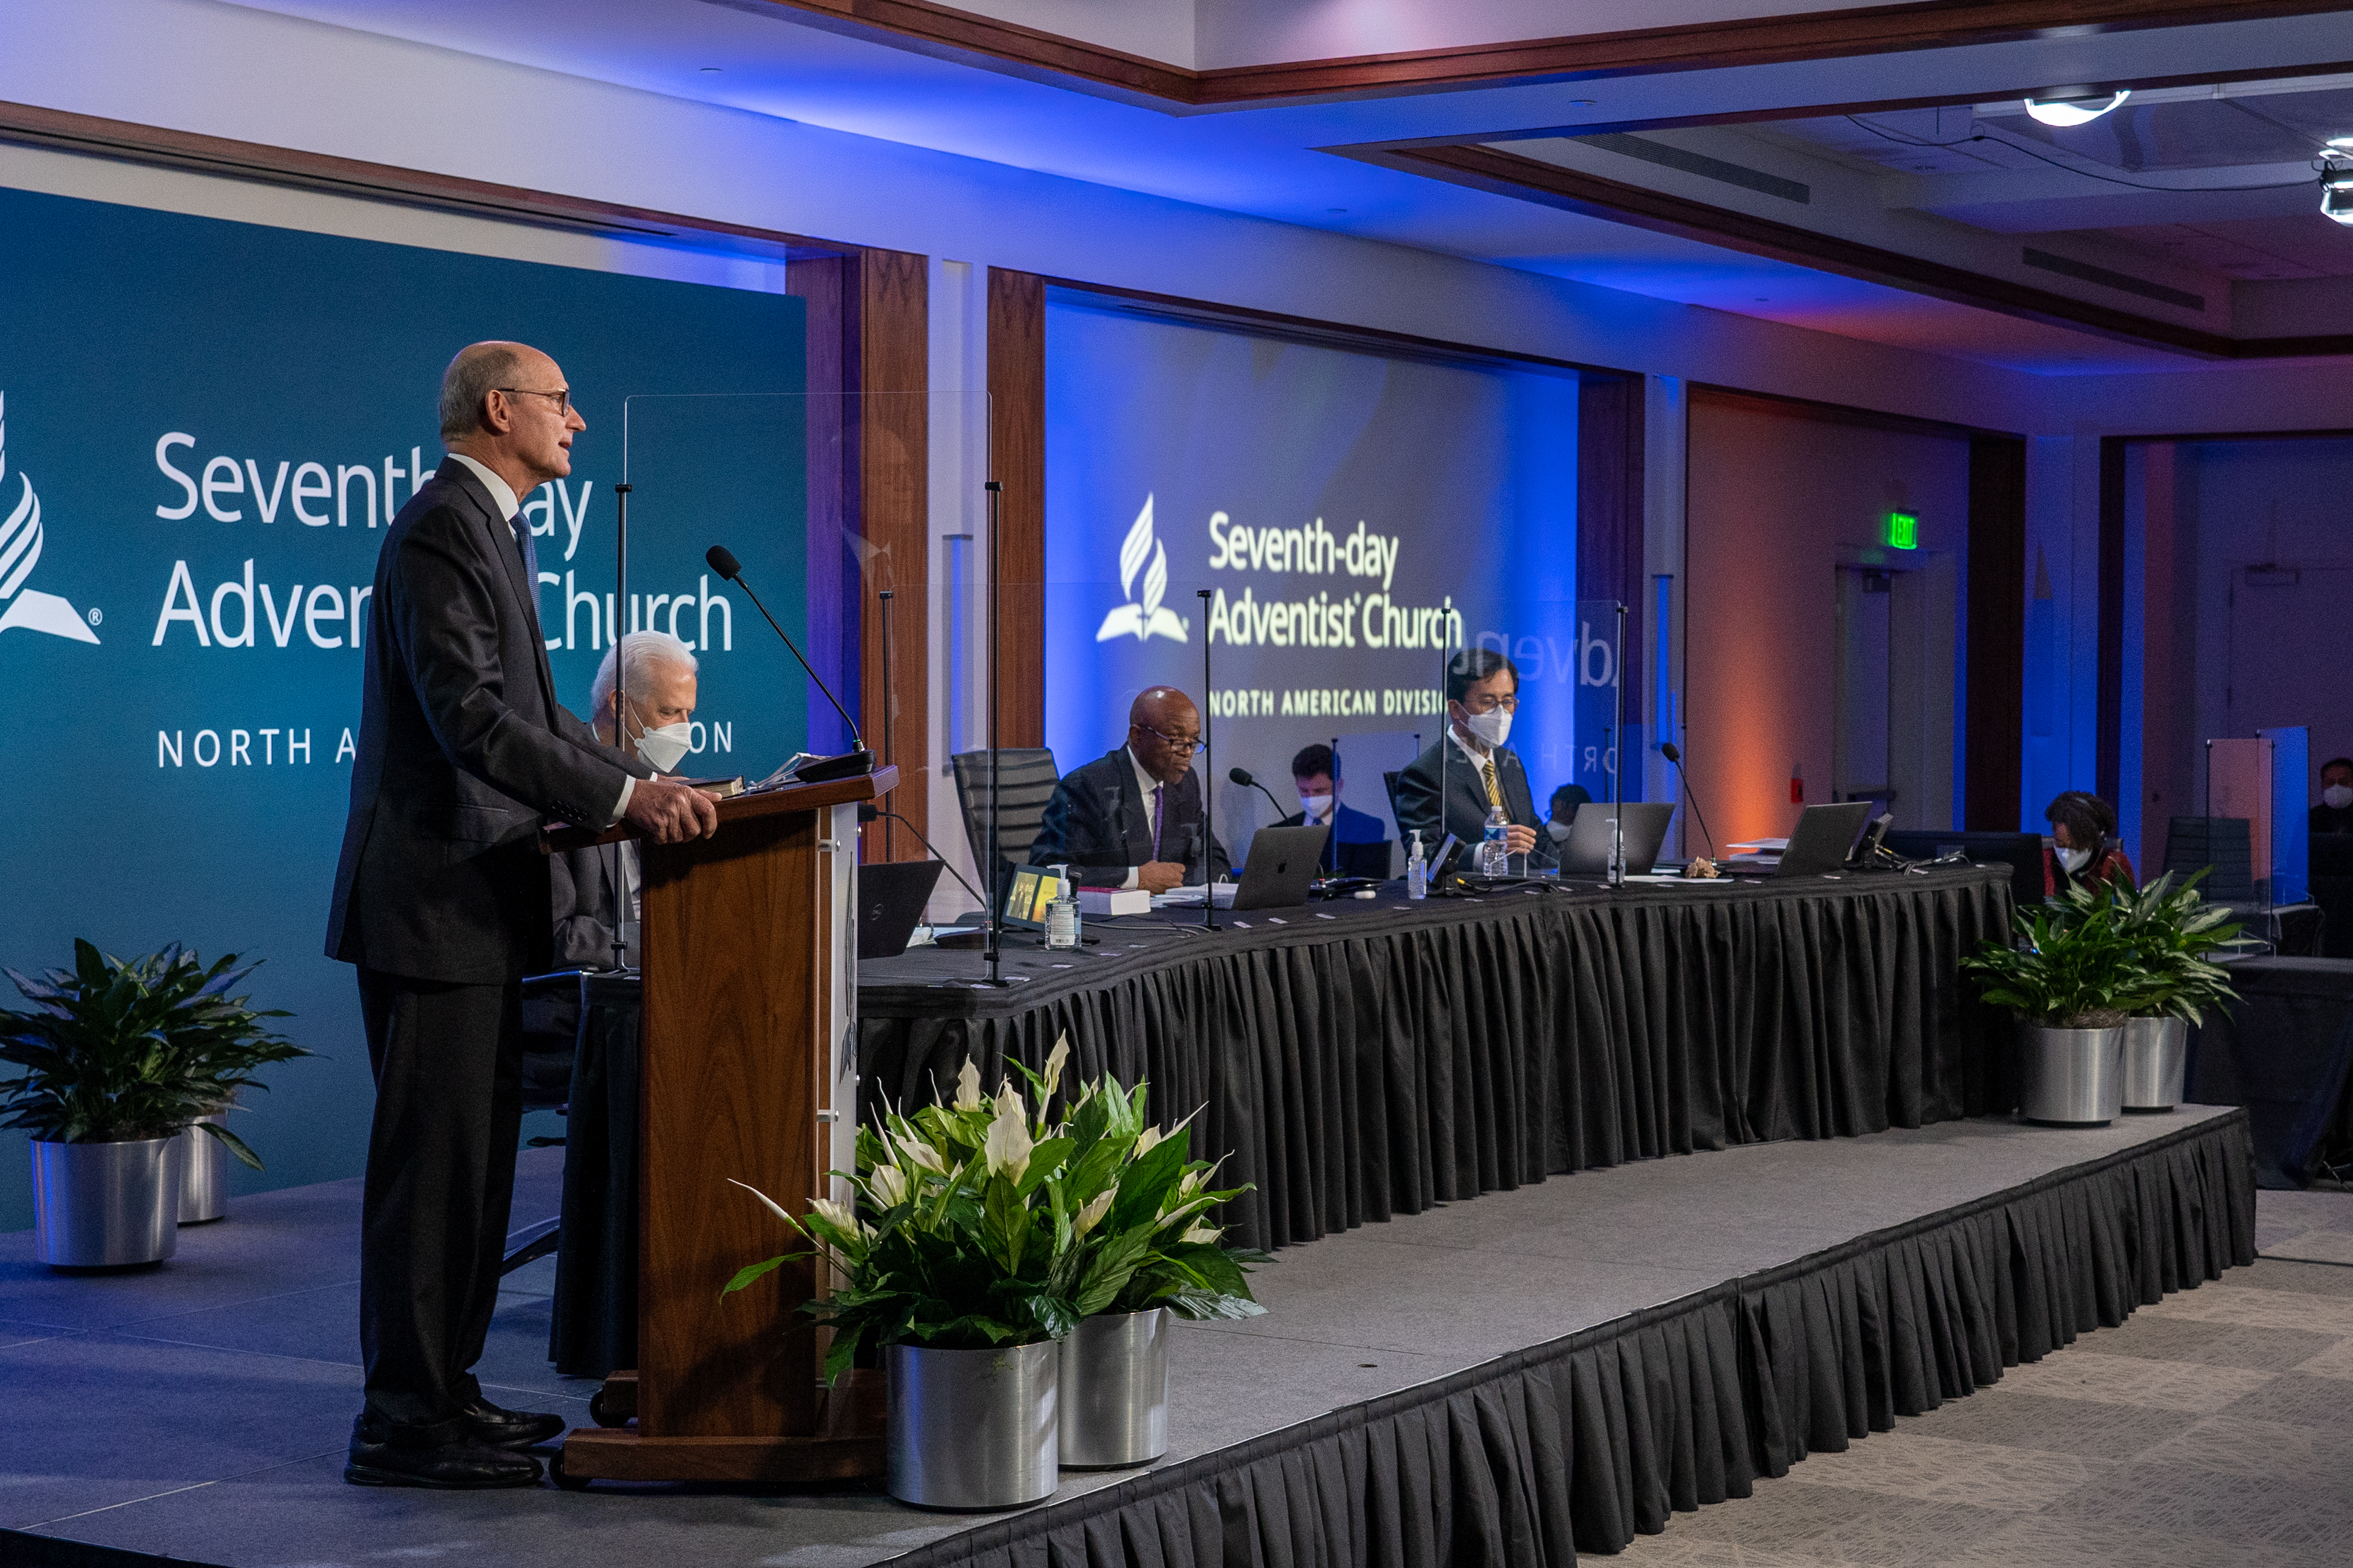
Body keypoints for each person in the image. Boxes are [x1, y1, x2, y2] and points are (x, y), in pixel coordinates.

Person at [324, 342, 719, 1489]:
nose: (577, 421)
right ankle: (401, 1419)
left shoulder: (492, 526)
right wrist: (622, 792)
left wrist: (651, 786)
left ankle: (447, 1395)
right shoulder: (444, 524)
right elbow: (470, 720)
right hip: (430, 908)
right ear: (501, 410)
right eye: (558, 402)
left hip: (479, 909)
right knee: (430, 1177)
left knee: (476, 1175)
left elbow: (536, 708)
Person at [550, 631, 701, 969]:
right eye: (670, 712)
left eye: (688, 713)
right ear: (620, 705)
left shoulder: (668, 779)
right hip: (587, 998)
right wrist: (665, 943)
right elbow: (560, 937)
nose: (684, 729)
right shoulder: (559, 781)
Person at [1031, 685, 1231, 892]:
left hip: (1171, 916)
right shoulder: (1087, 787)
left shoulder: (1185, 784)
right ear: (1137, 735)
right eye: (1177, 741)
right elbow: (1049, 871)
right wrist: (1133, 878)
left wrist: (1178, 883)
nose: (1187, 753)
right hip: (1108, 920)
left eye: (1194, 741)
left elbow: (1214, 860)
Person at [1395, 649, 1554, 872]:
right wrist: (1488, 851)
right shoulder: (1426, 774)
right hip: (1469, 898)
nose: (1500, 714)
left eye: (1507, 701)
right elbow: (1424, 859)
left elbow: (1536, 838)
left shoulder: (1510, 763)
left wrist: (1577, 867)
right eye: (1488, 702)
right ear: (1455, 709)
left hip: (1522, 890)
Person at [1274, 742, 1388, 877]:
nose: (1311, 798)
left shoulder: (1367, 828)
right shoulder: (1278, 832)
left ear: (1339, 785)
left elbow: (1366, 883)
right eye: (1304, 791)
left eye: (1320, 791)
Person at [2042, 790, 2134, 897]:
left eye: (2076, 846)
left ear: (2096, 838)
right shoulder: (2041, 861)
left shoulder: (2113, 864)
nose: (2066, 853)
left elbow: (2129, 908)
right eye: (2061, 844)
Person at [1545, 782, 1593, 849]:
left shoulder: (1592, 841)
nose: (1553, 819)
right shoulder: (1541, 837)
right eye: (1552, 814)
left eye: (1560, 815)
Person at [2313, 757, 2353, 835]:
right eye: (2330, 782)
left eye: (2343, 782)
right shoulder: (2311, 818)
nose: (2336, 787)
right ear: (2323, 785)